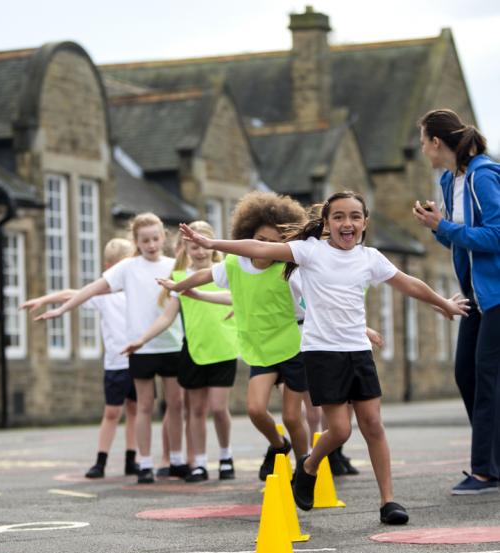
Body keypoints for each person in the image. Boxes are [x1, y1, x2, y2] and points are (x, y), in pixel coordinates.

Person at [179, 190, 469, 524]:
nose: (348, 223)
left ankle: (388, 502)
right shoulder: (310, 252)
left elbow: (408, 283)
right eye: (339, 217)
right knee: (341, 431)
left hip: (357, 352)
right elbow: (260, 248)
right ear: (327, 223)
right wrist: (213, 244)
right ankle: (309, 464)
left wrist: (443, 303)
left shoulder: (370, 258)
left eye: (355, 217)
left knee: (373, 424)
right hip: (322, 352)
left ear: (364, 222)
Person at [158, 192, 311, 482]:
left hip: (293, 345)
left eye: (274, 244)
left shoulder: (290, 273)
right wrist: (178, 287)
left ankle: (304, 470)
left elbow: (315, 306)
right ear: (246, 237)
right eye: (260, 240)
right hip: (260, 348)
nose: (264, 248)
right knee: (255, 409)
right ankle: (279, 446)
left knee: (292, 417)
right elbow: (204, 277)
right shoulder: (234, 265)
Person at [35, 213, 186, 485]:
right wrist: (61, 309)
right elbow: (92, 289)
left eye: (155, 238)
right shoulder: (127, 268)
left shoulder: (175, 265)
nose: (151, 244)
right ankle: (145, 464)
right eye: (145, 240)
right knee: (143, 407)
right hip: (139, 348)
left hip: (172, 345)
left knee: (175, 404)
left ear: (163, 237)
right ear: (136, 242)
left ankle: (176, 460)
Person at [414, 108, 500, 494]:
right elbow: (459, 241)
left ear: (437, 141)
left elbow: (495, 236)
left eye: (423, 142)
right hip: (476, 296)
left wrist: (444, 226)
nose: (422, 150)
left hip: (497, 294)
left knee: (485, 377)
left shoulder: (484, 176)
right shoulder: (450, 180)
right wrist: (438, 228)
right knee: (465, 373)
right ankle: (492, 460)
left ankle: (484, 471)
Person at [124, 221, 238, 482]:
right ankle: (198, 462)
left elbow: (241, 300)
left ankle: (225, 456)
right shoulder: (180, 279)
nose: (198, 252)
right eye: (192, 247)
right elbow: (166, 318)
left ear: (211, 245)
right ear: (184, 248)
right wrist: (141, 340)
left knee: (219, 408)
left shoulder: (226, 272)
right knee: (195, 411)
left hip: (223, 349)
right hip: (194, 351)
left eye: (201, 246)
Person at [20, 238, 139, 478]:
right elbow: (70, 295)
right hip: (116, 364)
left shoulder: (138, 291)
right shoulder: (103, 295)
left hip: (139, 361)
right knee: (112, 413)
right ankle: (101, 461)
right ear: (109, 268)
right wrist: (44, 300)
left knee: (136, 412)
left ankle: (131, 459)